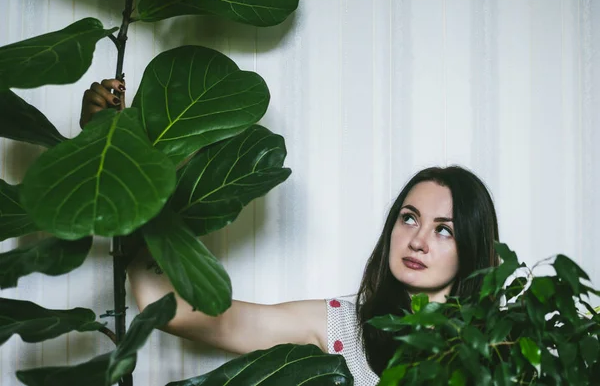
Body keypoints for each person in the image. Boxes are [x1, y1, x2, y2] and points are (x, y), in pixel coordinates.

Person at [80, 80, 500, 385]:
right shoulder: (341, 327)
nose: (418, 239)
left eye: (443, 230)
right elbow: (169, 306)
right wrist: (116, 156)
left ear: (473, 246)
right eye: (409, 217)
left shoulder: (509, 348)